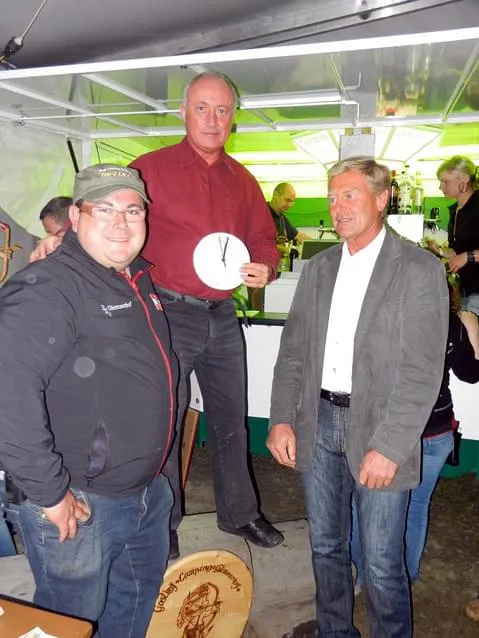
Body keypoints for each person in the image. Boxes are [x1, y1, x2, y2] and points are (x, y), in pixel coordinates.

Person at [267, 156, 449, 638]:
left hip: (379, 425)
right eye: (332, 197)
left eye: (349, 195)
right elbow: (293, 350)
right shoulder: (319, 268)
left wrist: (390, 447)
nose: (337, 206)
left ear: (382, 198)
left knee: (382, 562)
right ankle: (335, 632)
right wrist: (281, 417)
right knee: (326, 547)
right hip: (318, 418)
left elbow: (421, 371)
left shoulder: (418, 269)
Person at [0, 164, 177, 637]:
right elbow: (6, 391)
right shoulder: (50, 286)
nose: (121, 222)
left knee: (132, 609)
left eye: (133, 211)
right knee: (69, 625)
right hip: (80, 503)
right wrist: (49, 492)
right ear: (75, 218)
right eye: (104, 209)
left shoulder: (135, 276)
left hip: (147, 492)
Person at [129, 71, 283, 558]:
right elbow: (109, 220)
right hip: (167, 311)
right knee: (166, 422)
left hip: (222, 314)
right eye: (202, 108)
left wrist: (268, 266)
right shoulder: (148, 170)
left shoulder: (243, 179)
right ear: (183, 112)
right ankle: (163, 522)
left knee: (231, 418)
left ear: (233, 117)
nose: (213, 120)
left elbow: (264, 238)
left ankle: (239, 513)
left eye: (222, 110)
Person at [351, 285, 479, 591]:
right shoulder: (453, 324)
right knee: (417, 506)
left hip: (391, 433)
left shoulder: (386, 316)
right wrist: (470, 325)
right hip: (437, 431)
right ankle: (405, 577)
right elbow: (472, 374)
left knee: (365, 505)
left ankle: (358, 573)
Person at [429, 156, 479, 357]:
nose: (441, 187)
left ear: (463, 180)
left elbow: (465, 254)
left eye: (445, 181)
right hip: (466, 292)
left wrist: (468, 256)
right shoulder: (455, 211)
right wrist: (441, 252)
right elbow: (458, 252)